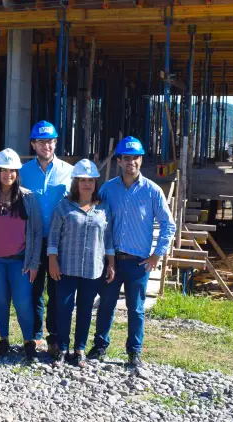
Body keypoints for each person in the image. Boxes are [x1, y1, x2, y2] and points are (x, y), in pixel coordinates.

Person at [89, 136, 176, 368]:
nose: (132, 162)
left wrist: (157, 254)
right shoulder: (108, 190)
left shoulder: (152, 191)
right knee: (106, 304)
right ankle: (100, 347)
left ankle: (134, 352)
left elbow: (169, 224)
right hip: (112, 260)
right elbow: (99, 221)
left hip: (138, 263)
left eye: (136, 157)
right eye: (126, 158)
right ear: (119, 161)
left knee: (135, 309)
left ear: (141, 159)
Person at [0, 148, 42, 363]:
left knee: (23, 303)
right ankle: (3, 340)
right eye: (4, 170)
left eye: (12, 170)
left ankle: (29, 342)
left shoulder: (28, 198)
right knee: (1, 301)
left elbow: (37, 231)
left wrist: (34, 262)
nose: (8, 174)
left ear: (17, 173)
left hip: (20, 261)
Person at [47, 159, 112, 368]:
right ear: (75, 182)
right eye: (82, 180)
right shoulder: (64, 206)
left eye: (91, 180)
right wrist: (52, 261)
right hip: (66, 267)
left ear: (95, 183)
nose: (87, 184)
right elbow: (54, 237)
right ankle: (62, 348)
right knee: (64, 308)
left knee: (85, 309)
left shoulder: (103, 209)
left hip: (93, 269)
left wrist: (111, 263)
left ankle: (80, 349)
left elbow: (108, 239)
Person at [19, 120, 73, 355]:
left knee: (57, 291)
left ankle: (54, 336)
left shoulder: (68, 172)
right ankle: (34, 336)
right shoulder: (23, 172)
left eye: (50, 141)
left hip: (60, 243)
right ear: (33, 144)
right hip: (32, 242)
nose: (46, 146)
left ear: (56, 143)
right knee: (33, 290)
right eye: (41, 142)